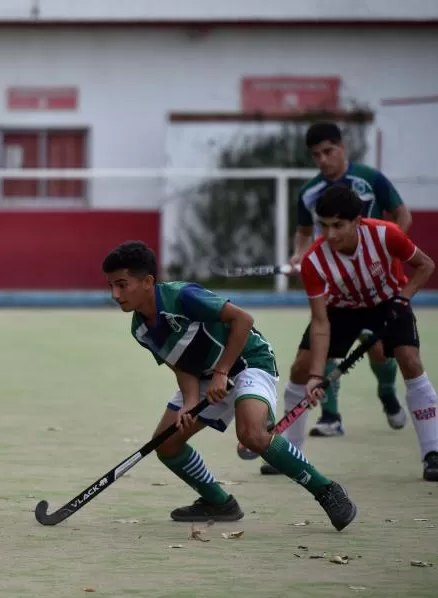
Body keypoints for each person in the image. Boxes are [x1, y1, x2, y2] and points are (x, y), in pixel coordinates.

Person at [103, 240, 356, 530]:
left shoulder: (184, 296)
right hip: (205, 375)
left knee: (251, 434)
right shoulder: (140, 329)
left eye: (122, 285)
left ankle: (327, 490)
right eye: (111, 286)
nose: (115, 294)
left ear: (147, 282)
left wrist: (223, 371)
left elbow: (243, 320)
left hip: (248, 361)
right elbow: (180, 364)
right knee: (167, 443)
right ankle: (219, 502)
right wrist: (189, 402)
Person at [298, 186, 437, 481]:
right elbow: (321, 322)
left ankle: (432, 453)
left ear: (357, 221)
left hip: (388, 302)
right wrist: (315, 375)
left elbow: (425, 266)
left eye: (338, 225)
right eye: (324, 225)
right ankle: (288, 453)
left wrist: (404, 297)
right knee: (301, 366)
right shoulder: (313, 260)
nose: (330, 234)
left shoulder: (387, 234)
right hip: (342, 309)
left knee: (409, 360)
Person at [289, 121, 413, 439]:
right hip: (335, 285)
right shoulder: (309, 193)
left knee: (379, 351)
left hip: (375, 284)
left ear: (342, 148)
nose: (323, 160)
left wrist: (386, 257)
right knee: (324, 344)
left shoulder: (371, 179)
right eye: (316, 155)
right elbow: (304, 233)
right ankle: (331, 416)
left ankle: (387, 393)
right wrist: (297, 255)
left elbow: (402, 215)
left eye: (328, 151)